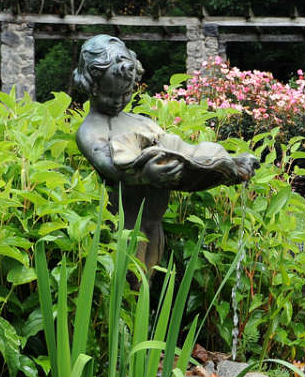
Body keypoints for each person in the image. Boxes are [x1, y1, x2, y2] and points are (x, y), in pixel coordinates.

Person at [73, 34, 258, 267]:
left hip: (154, 223)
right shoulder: (90, 129)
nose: (119, 101)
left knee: (149, 284)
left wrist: (230, 164)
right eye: (111, 95)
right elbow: (109, 167)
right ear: (89, 85)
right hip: (127, 227)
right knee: (132, 286)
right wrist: (145, 174)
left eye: (126, 94)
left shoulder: (141, 122)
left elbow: (188, 152)